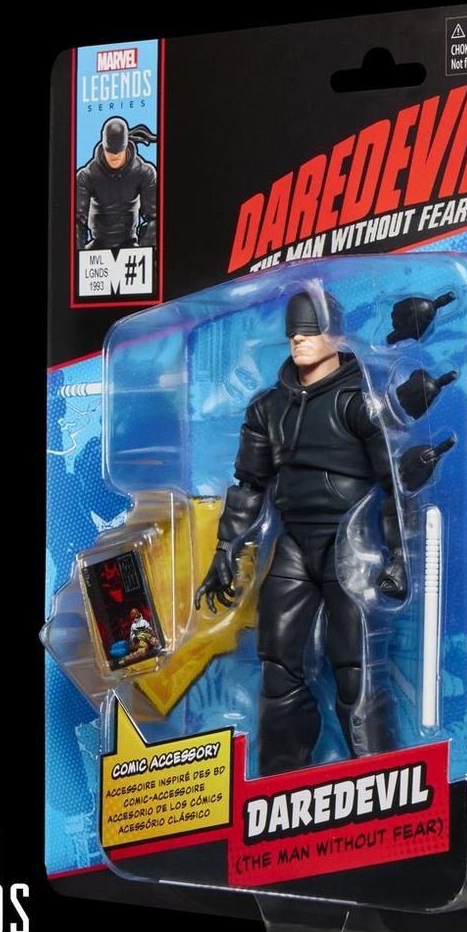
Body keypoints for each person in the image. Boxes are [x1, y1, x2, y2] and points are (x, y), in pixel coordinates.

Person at [195, 291, 407, 776]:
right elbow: (249, 485)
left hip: (350, 543)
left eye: (311, 330)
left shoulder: (361, 402)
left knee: (355, 666)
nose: (299, 339)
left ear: (336, 335)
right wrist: (226, 549)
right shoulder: (268, 409)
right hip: (293, 542)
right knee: (278, 662)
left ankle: (381, 776)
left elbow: (395, 484)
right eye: (294, 332)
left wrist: (399, 556)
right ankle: (280, 780)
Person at [75, 117, 158, 250]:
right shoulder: (87, 175)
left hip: (129, 243)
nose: (114, 156)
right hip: (98, 243)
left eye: (119, 152)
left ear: (126, 147)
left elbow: (155, 218)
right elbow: (76, 221)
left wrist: (145, 253)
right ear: (103, 147)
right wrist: (78, 256)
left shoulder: (144, 172)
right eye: (110, 152)